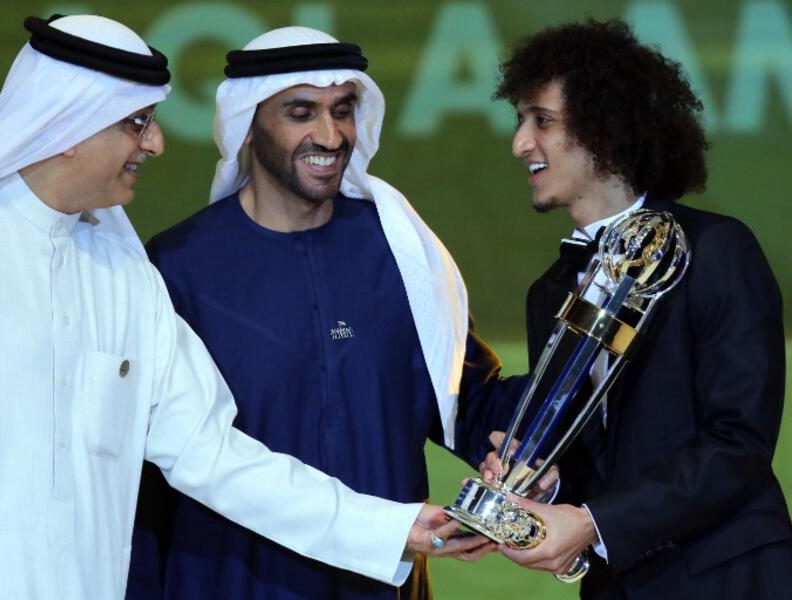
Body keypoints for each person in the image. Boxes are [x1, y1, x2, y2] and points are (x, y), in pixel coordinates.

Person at [0, 14, 473, 600]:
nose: (156, 143)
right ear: (68, 124)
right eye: (137, 123)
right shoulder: (172, 263)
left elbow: (209, 451)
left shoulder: (127, 278)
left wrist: (389, 526)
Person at [127, 26, 527, 600]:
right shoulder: (176, 269)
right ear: (249, 123)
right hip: (225, 582)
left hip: (380, 583)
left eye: (342, 111)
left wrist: (585, 372)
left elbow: (466, 399)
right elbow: (151, 476)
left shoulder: (399, 250)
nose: (330, 134)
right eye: (301, 112)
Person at [487, 18, 792, 598]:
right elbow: (592, 462)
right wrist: (549, 487)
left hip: (732, 578)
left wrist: (596, 524)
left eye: (542, 121)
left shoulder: (717, 250)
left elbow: (739, 442)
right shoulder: (551, 293)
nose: (520, 142)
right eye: (521, 120)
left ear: (605, 129)